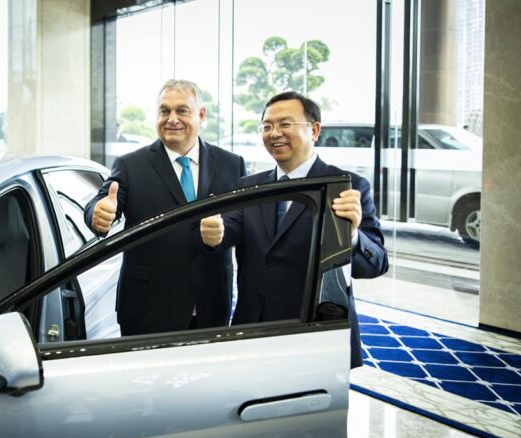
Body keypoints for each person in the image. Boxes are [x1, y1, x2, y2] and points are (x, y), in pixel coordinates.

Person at [200, 91, 388, 368]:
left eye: (285, 124)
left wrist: (352, 236)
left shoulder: (346, 186)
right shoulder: (249, 187)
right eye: (267, 126)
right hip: (253, 329)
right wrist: (213, 234)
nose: (274, 133)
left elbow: (376, 264)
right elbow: (228, 229)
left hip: (317, 331)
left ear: (314, 130)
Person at [85, 79, 246, 336]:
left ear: (201, 115)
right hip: (147, 308)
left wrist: (222, 232)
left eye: (182, 110)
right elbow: (102, 202)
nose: (172, 119)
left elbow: (242, 223)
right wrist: (98, 214)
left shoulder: (232, 164)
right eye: (164, 111)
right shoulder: (130, 165)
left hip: (211, 306)